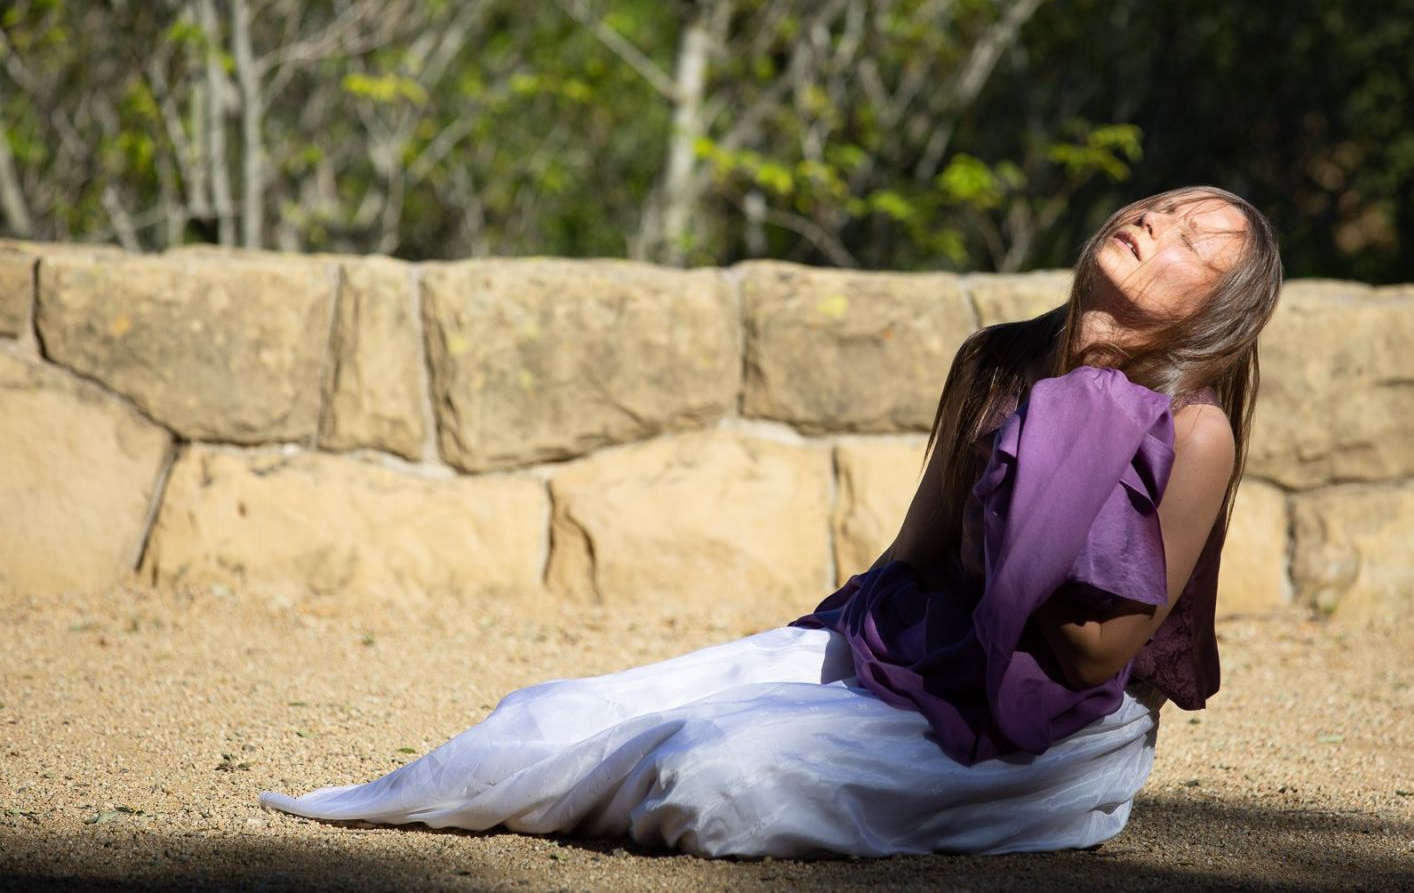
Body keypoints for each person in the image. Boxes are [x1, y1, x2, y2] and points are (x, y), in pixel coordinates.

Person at [259, 185, 1283, 858]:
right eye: (1159, 205)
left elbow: (1089, 656)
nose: (1156, 221)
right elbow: (913, 558)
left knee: (714, 769)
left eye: (1196, 241)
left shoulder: (1194, 436)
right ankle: (392, 793)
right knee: (552, 713)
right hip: (911, 647)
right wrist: (795, 652)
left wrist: (1061, 478)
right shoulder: (998, 363)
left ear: (1217, 312)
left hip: (1044, 734)